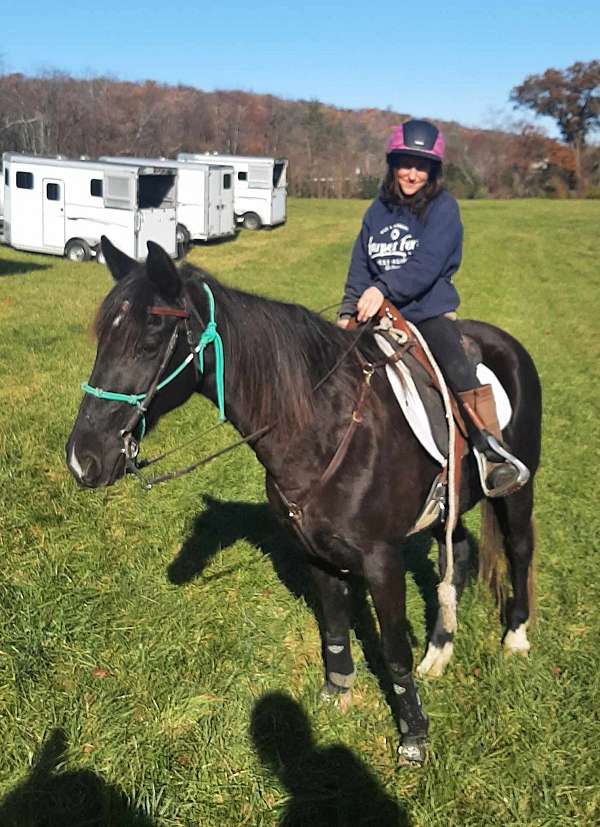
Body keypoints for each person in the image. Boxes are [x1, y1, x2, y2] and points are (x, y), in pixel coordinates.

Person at [336, 119, 529, 497]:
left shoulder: (443, 208)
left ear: (433, 171)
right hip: (375, 314)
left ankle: (492, 451)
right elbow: (360, 263)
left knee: (455, 366)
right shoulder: (376, 211)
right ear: (393, 165)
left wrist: (384, 287)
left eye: (420, 166)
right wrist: (347, 310)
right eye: (405, 163)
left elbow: (427, 263)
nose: (411, 173)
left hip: (426, 314)